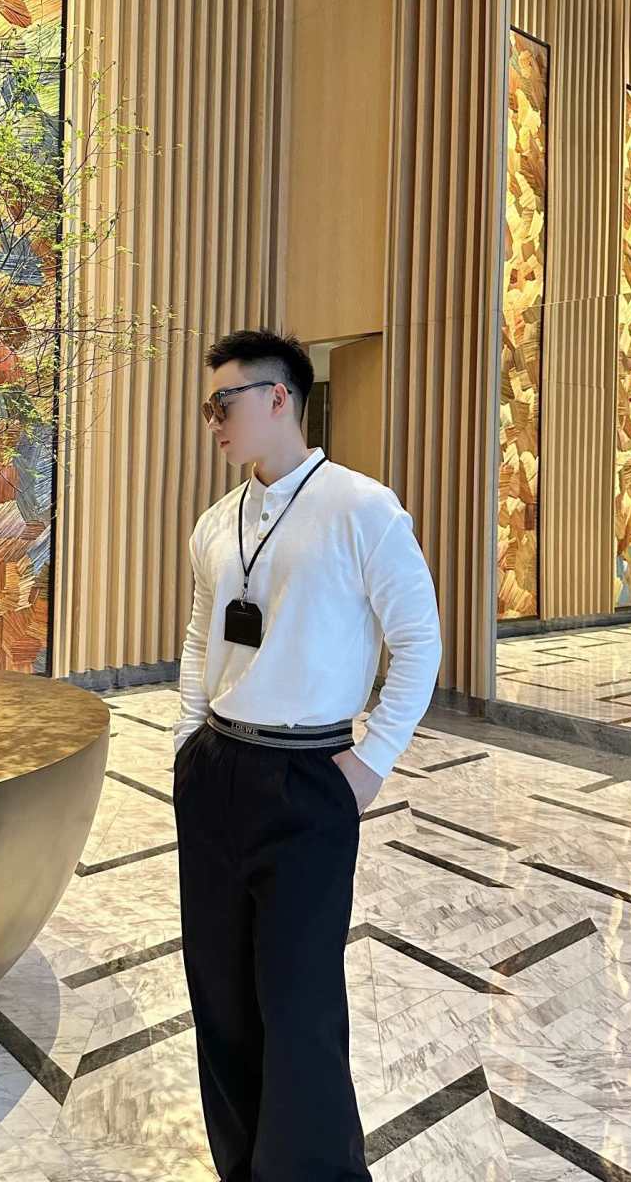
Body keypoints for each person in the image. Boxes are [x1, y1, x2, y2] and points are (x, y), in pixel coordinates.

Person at [173, 327, 443, 1182]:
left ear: (278, 397)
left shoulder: (363, 509)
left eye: (223, 403)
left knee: (299, 1005)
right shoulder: (216, 523)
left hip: (309, 778)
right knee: (220, 994)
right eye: (209, 406)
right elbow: (200, 637)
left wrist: (371, 764)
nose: (213, 420)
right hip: (217, 770)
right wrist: (186, 743)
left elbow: (420, 642)